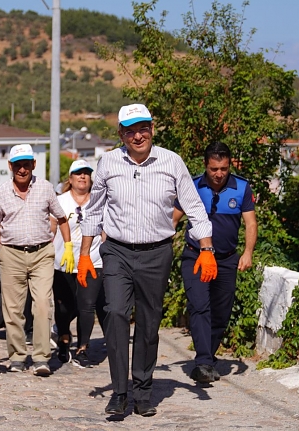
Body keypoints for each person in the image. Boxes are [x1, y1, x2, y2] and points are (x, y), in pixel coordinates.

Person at [77, 103, 217, 417]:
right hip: (116, 250)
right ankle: (119, 393)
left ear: (152, 128)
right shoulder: (109, 162)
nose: (137, 136)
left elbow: (194, 208)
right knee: (114, 313)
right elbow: (94, 211)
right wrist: (84, 254)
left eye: (142, 128)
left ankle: (142, 391)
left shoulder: (171, 162)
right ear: (121, 134)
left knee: (149, 324)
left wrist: (206, 250)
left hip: (157, 253)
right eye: (130, 131)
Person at [0, 144, 75, 377]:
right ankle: (16, 356)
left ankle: (42, 357)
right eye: (17, 165)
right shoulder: (1, 192)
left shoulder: (45, 188)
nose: (22, 169)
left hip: (42, 253)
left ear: (34, 165)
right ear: (10, 167)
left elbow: (62, 218)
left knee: (44, 304)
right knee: (13, 309)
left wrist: (68, 247)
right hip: (11, 254)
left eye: (26, 164)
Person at [173, 142, 257, 383]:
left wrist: (247, 252)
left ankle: (207, 357)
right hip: (195, 256)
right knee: (199, 306)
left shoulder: (241, 187)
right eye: (213, 169)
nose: (219, 174)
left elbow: (251, 223)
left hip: (227, 259)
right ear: (205, 166)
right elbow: (173, 220)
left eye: (223, 168)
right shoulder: (193, 186)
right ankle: (203, 362)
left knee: (221, 312)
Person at [51, 159, 106, 368]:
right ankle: (64, 338)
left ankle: (83, 347)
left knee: (87, 306)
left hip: (92, 260)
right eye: (78, 173)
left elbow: (105, 230)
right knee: (64, 308)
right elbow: (52, 228)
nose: (82, 177)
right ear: (70, 179)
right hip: (64, 262)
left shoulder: (99, 200)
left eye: (86, 173)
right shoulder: (61, 201)